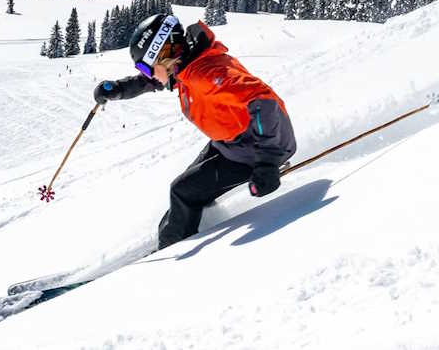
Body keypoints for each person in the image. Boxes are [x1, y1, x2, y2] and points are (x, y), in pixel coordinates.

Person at [94, 13, 296, 250]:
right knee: (183, 191)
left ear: (164, 55)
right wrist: (118, 89)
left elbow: (263, 101)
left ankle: (174, 250)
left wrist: (268, 162)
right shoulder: (187, 65)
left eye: (147, 67)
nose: (147, 74)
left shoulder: (206, 74)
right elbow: (152, 82)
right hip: (231, 143)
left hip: (255, 149)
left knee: (182, 192)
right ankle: (174, 238)